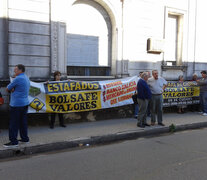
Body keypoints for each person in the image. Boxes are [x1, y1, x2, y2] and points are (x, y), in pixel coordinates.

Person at [4, 64, 30, 148]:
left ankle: (13, 142)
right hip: (25, 103)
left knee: (14, 124)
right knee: (23, 122)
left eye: (15, 69)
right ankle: (25, 139)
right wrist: (13, 88)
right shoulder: (26, 77)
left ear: (20, 70)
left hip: (16, 104)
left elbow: (7, 89)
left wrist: (12, 89)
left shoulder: (17, 78)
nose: (14, 71)